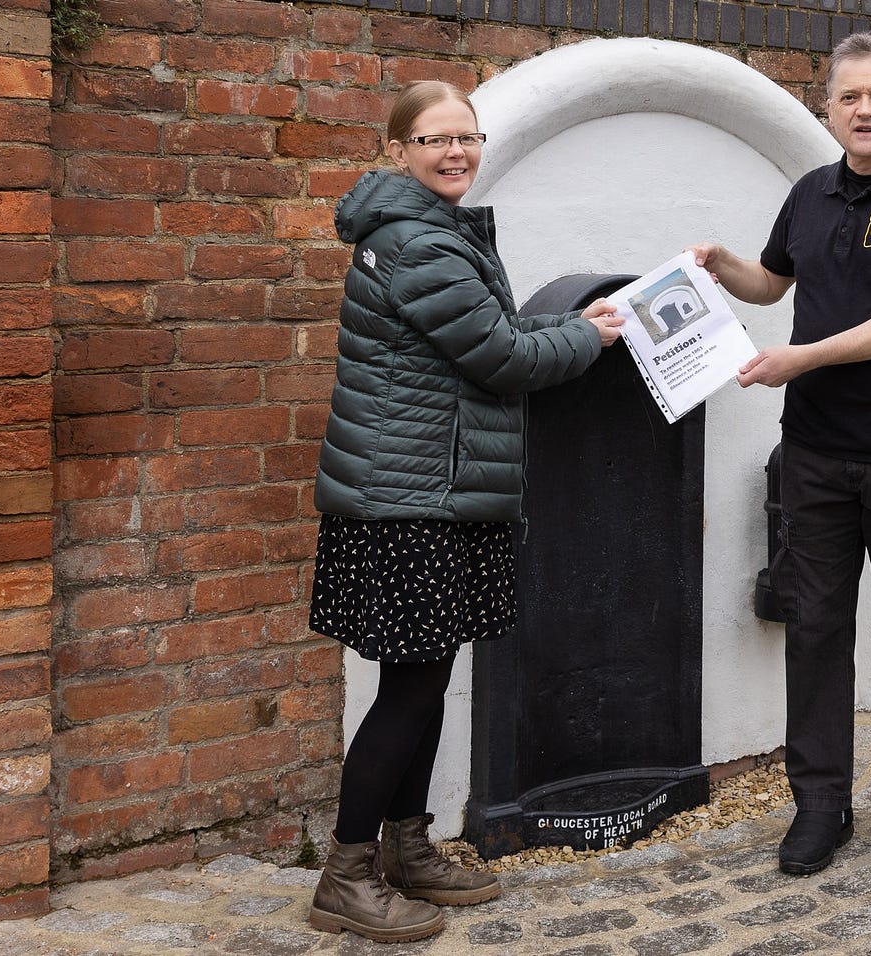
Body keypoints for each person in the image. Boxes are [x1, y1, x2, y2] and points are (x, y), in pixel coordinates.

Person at [306, 80, 624, 943]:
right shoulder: (419, 243)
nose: (456, 153)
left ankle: (408, 852)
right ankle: (345, 875)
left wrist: (563, 330)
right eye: (436, 140)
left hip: (430, 492)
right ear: (399, 150)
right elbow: (500, 354)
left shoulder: (425, 231)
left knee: (427, 678)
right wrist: (588, 336)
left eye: (467, 138)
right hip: (413, 500)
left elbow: (481, 342)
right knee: (409, 689)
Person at [689, 32, 871, 876]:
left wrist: (802, 359)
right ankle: (821, 806)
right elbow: (772, 284)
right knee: (814, 629)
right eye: (849, 96)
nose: (864, 110)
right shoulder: (809, 194)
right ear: (828, 108)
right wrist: (720, 266)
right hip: (814, 453)